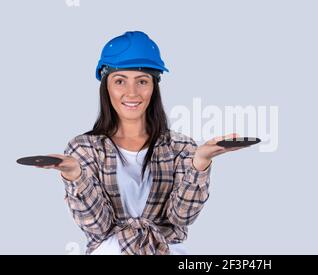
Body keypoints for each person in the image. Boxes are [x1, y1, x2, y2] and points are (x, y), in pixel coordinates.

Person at [35, 31, 248, 255]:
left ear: (154, 86)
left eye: (142, 81)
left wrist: (200, 163)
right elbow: (98, 227)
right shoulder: (84, 148)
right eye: (120, 81)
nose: (132, 93)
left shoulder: (181, 147)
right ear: (106, 86)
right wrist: (74, 175)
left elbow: (182, 217)